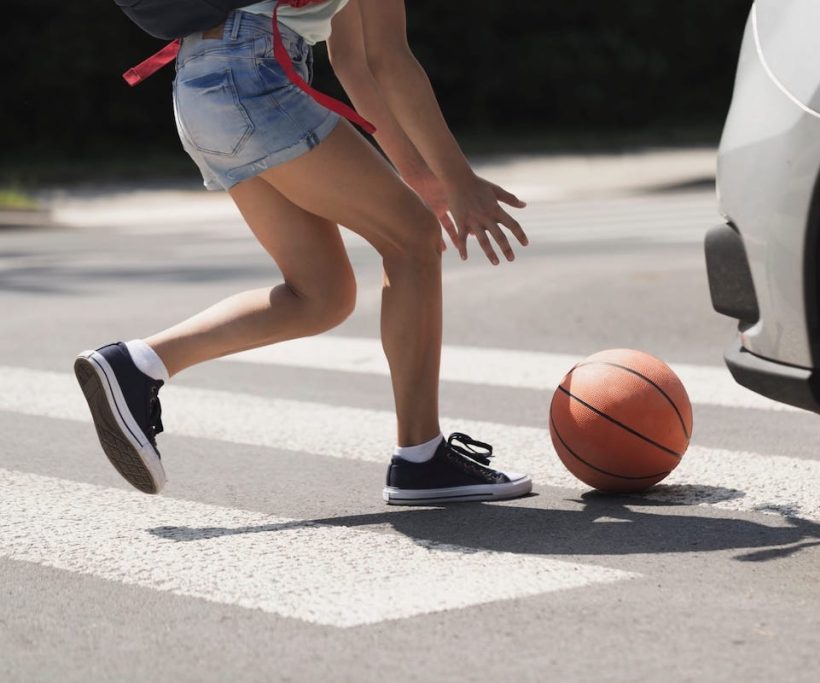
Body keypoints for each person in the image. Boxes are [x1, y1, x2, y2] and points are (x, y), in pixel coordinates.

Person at [73, 0, 532, 504]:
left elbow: (354, 59)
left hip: (207, 81)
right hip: (253, 75)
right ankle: (421, 458)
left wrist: (423, 178)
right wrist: (457, 178)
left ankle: (138, 364)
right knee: (414, 241)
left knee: (321, 295)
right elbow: (389, 58)